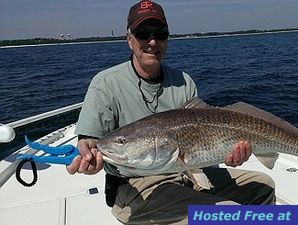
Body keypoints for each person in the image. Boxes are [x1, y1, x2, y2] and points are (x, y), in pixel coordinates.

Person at [67, 1, 275, 224]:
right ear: (129, 39)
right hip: (136, 184)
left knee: (263, 187)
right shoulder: (105, 84)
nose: (152, 41)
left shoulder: (184, 82)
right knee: (227, 216)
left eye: (160, 33)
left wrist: (231, 155)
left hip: (186, 174)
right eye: (143, 33)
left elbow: (206, 143)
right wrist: (88, 158)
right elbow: (91, 142)